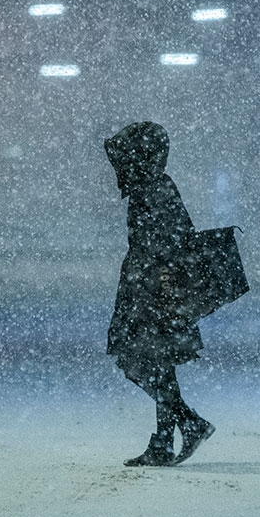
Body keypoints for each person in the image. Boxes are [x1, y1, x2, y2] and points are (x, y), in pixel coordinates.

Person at [104, 121, 214, 467]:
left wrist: (159, 282)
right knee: (156, 363)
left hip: (153, 291)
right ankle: (173, 434)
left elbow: (168, 243)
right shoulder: (152, 186)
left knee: (149, 361)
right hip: (149, 289)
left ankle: (175, 433)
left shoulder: (153, 190)